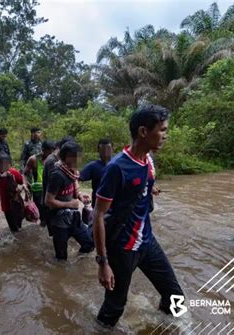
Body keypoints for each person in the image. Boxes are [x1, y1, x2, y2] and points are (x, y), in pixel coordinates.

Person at [92, 105, 184, 328]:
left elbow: (141, 187)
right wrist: (103, 262)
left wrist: (148, 189)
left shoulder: (149, 159)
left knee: (175, 299)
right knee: (114, 308)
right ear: (143, 132)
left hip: (147, 242)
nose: (165, 135)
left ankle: (169, 329)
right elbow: (98, 214)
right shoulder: (117, 168)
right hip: (123, 248)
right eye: (162, 130)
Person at [45, 141, 94, 260]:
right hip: (59, 221)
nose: (80, 159)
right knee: (61, 258)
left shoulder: (72, 172)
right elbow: (48, 201)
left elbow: (73, 189)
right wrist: (70, 204)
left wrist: (80, 196)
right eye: (77, 157)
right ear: (67, 157)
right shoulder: (57, 174)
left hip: (74, 217)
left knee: (89, 245)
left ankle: (77, 264)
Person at [42, 136, 75, 235]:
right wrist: (69, 204)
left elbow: (71, 179)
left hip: (63, 204)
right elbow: (55, 186)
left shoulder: (61, 161)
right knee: (58, 235)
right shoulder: (53, 162)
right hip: (54, 206)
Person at [23, 140, 55, 225]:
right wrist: (25, 184)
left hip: (51, 189)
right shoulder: (33, 159)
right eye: (49, 153)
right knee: (42, 215)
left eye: (52, 153)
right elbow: (25, 174)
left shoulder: (55, 159)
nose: (50, 155)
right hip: (38, 191)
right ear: (43, 150)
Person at [0, 154, 26, 232]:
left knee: (19, 226)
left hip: (16, 202)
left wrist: (23, 186)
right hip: (6, 205)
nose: (4, 166)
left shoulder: (14, 172)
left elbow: (23, 180)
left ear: (10, 164)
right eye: (1, 164)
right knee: (13, 228)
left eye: (6, 164)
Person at [80, 139, 113, 208]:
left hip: (115, 207)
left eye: (108, 149)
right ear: (98, 151)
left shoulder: (118, 165)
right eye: (103, 150)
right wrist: (79, 194)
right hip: (97, 206)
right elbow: (76, 179)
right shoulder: (93, 166)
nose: (106, 152)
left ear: (112, 149)